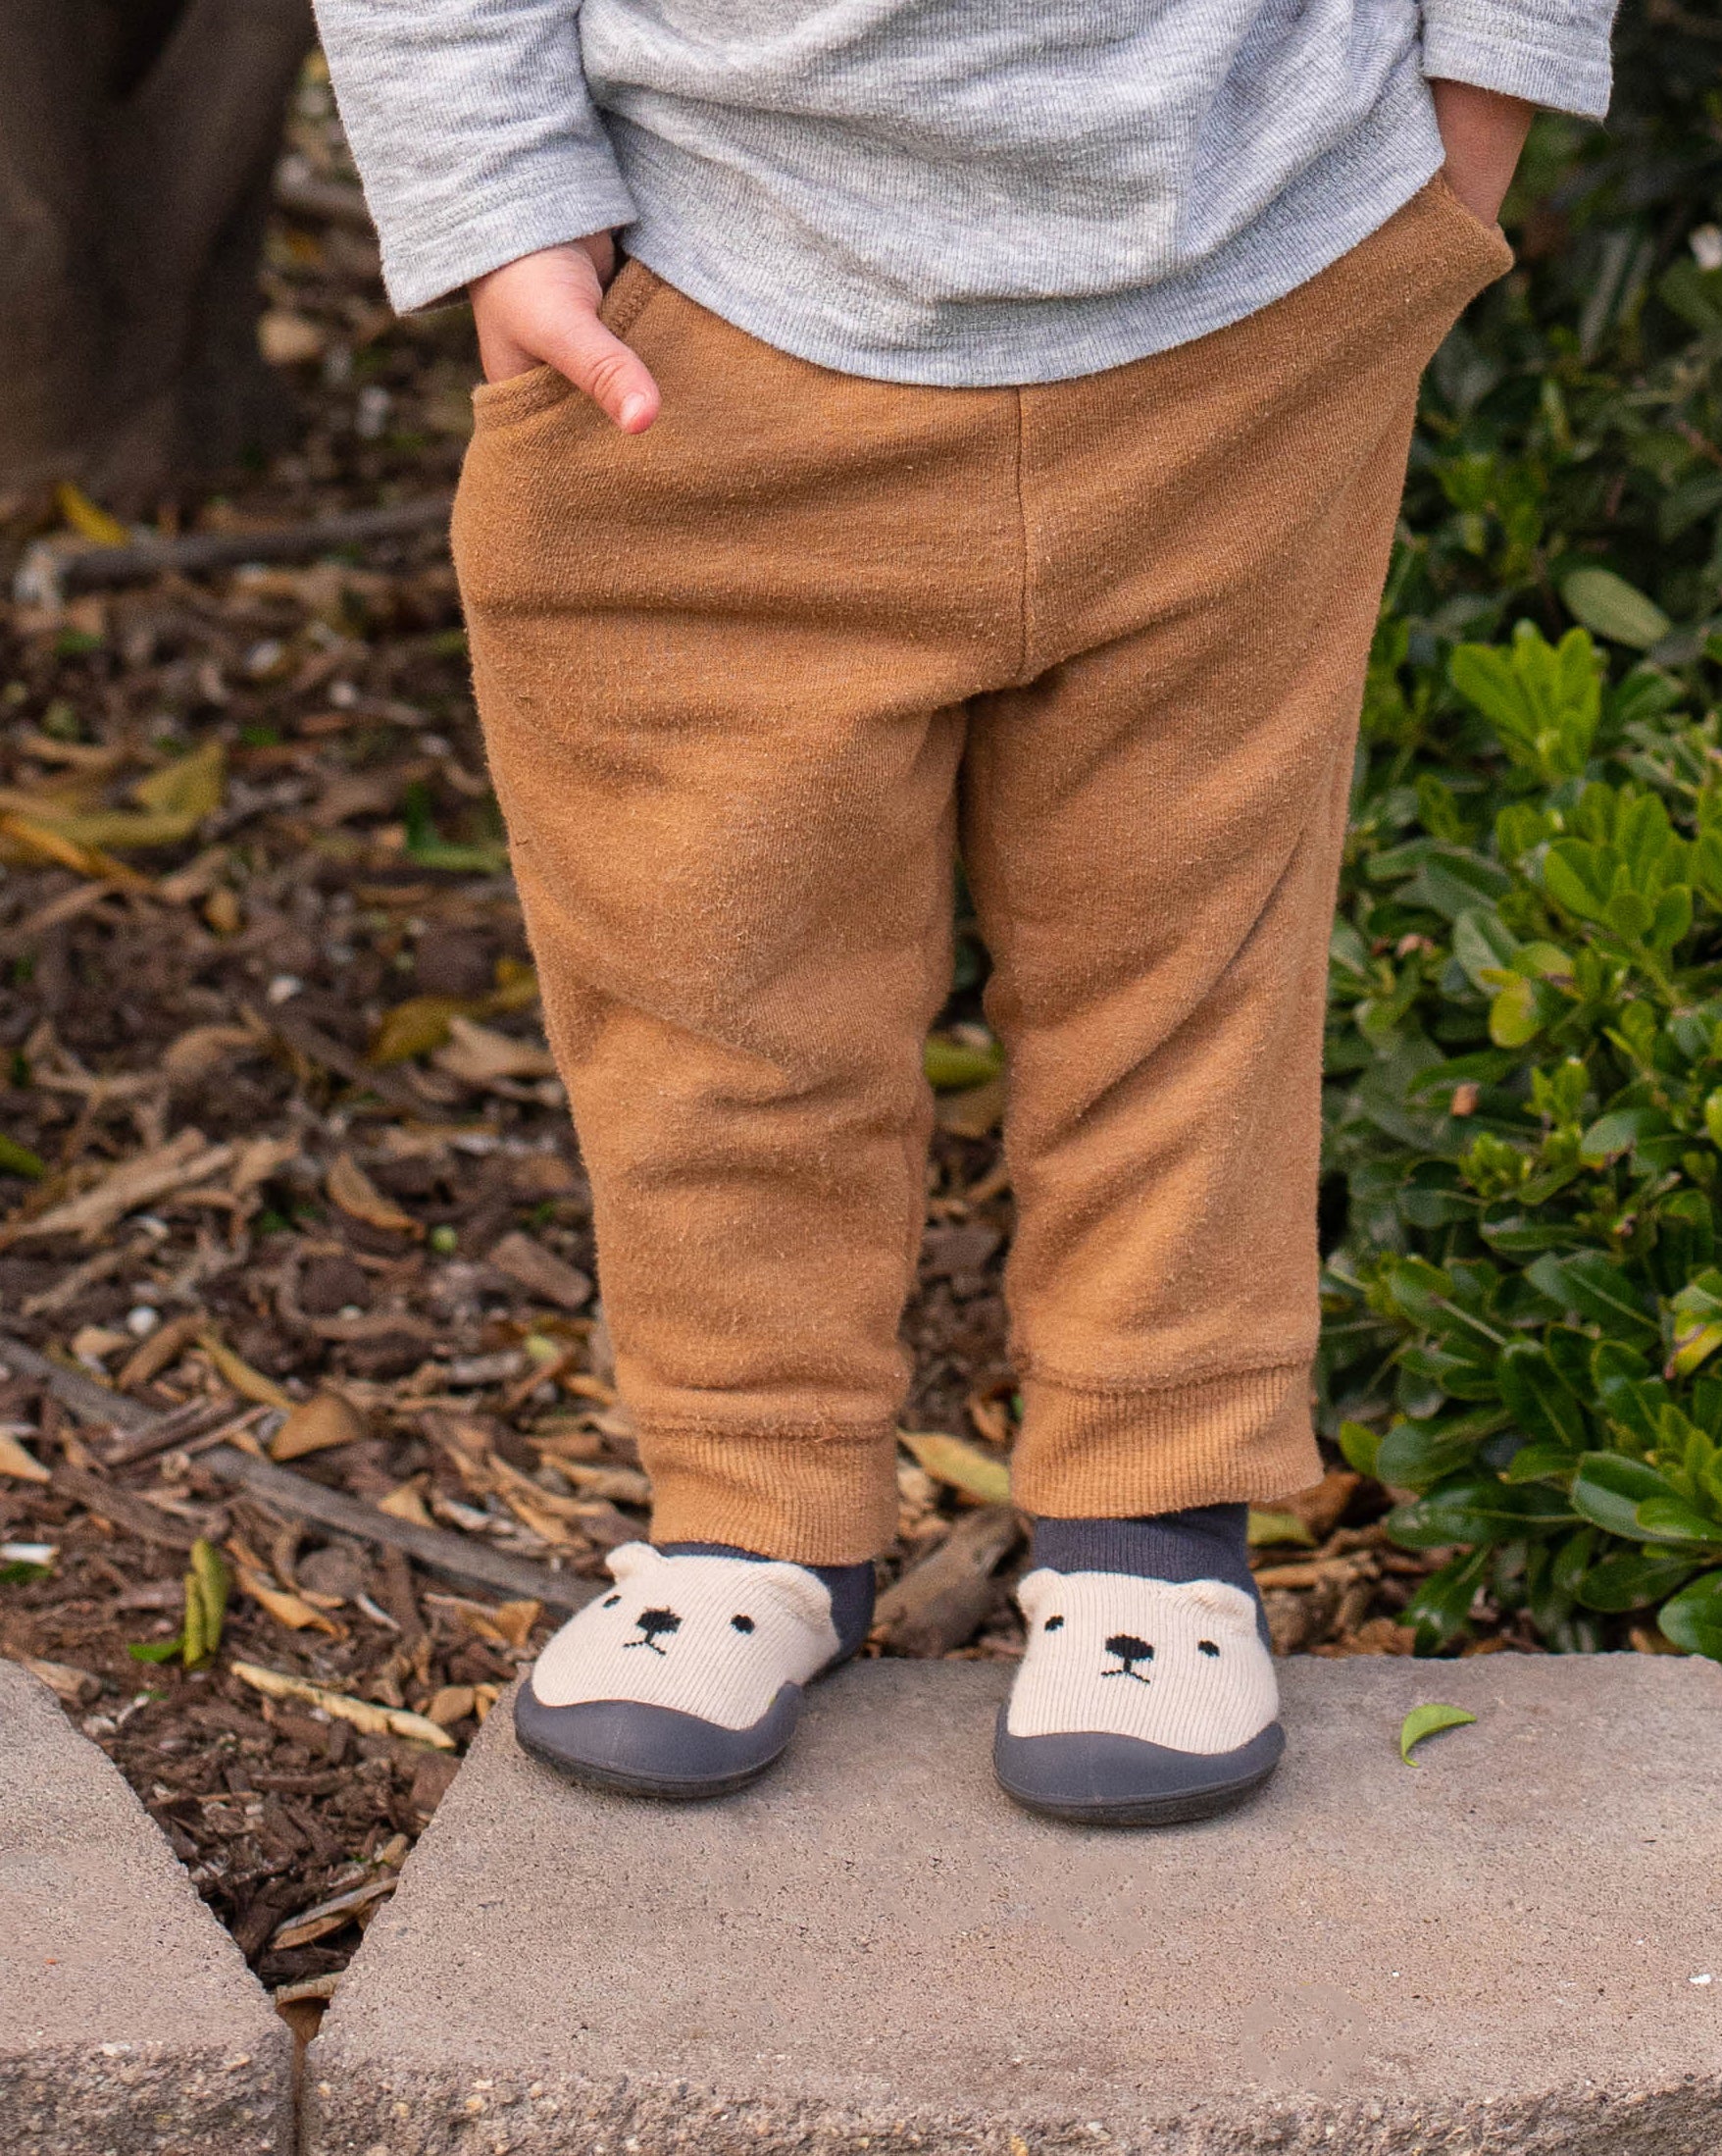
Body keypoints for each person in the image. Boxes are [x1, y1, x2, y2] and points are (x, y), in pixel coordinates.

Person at [314, 0, 1615, 1825]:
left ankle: (1155, 1524)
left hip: (1248, 283)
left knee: (1186, 946)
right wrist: (501, 202)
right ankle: (748, 1504)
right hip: (698, 311)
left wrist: (1483, 104)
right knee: (705, 966)